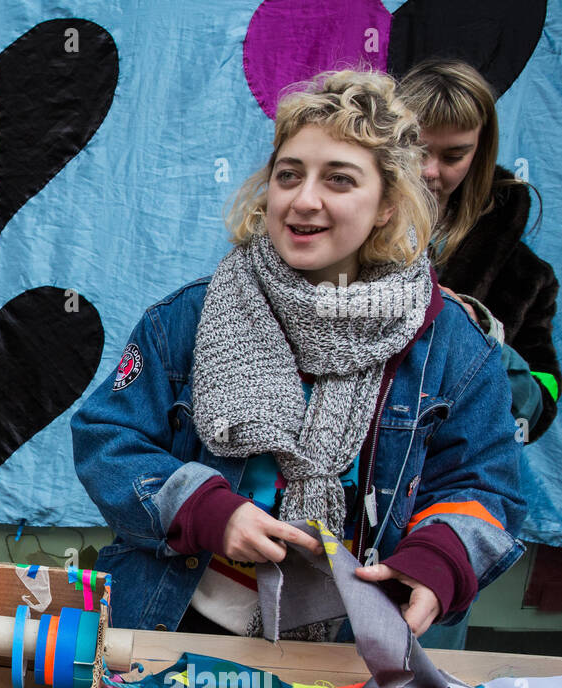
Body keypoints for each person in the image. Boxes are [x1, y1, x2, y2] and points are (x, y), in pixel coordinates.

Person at [72, 71, 525, 644]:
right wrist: (208, 511)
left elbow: (485, 486)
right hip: (177, 626)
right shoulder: (188, 317)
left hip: (350, 647)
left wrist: (439, 560)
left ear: (386, 204)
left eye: (339, 179)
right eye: (289, 175)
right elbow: (105, 436)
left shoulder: (452, 347)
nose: (304, 200)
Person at [398, 59, 561, 445]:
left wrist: (482, 339)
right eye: (416, 150)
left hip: (445, 475)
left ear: (480, 153)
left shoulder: (525, 275)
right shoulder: (332, 233)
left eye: (453, 156)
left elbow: (537, 410)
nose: (429, 171)